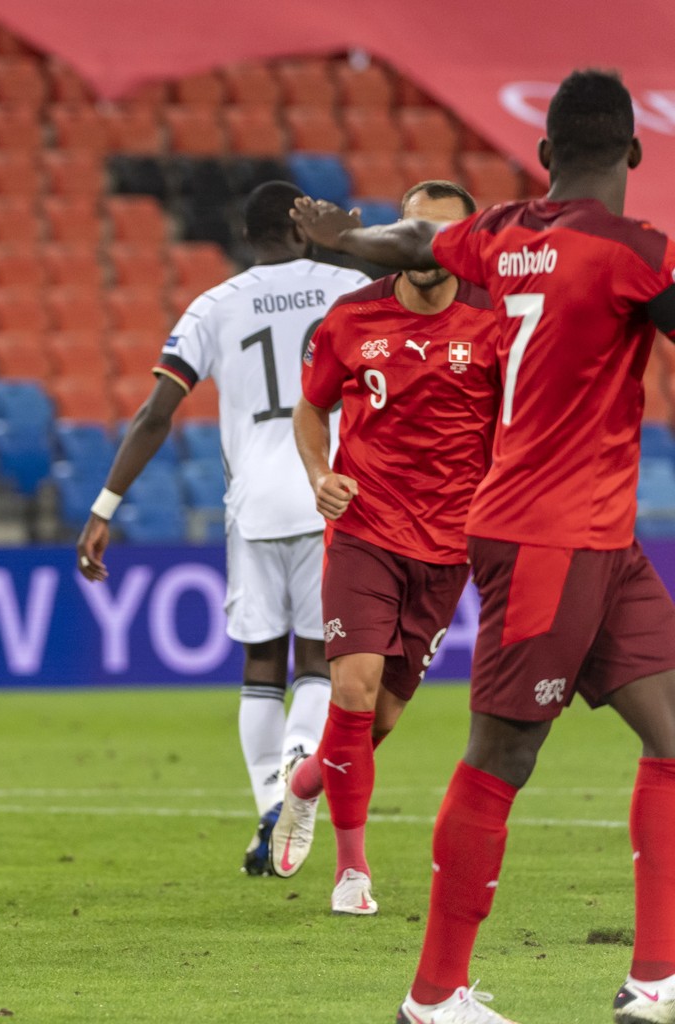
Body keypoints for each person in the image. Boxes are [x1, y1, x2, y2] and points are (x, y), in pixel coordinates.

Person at [292, 69, 675, 1024]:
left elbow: (414, 240)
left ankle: (657, 981)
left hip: (595, 536)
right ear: (634, 154)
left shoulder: (502, 234)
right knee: (502, 754)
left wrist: (345, 239)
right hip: (549, 534)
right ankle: (434, 996)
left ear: (545, 158)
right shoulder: (640, 253)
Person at [77, 181, 369, 876]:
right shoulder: (349, 286)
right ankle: (303, 763)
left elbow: (156, 414)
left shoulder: (215, 305)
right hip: (331, 490)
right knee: (319, 659)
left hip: (256, 505)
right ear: (303, 229)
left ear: (247, 239)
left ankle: (272, 803)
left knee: (261, 663)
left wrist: (105, 507)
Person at [274, 180, 501, 917]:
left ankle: (306, 782)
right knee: (353, 691)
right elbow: (312, 408)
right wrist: (319, 475)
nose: (426, 246)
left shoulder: (495, 323)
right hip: (365, 530)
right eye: (415, 229)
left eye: (444, 234)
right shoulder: (351, 318)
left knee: (384, 720)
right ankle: (352, 871)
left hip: (448, 547)